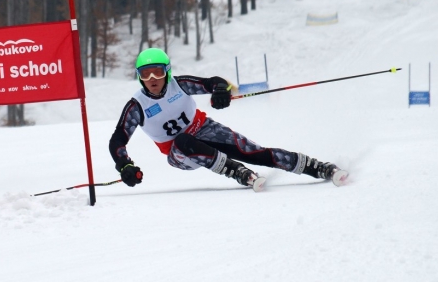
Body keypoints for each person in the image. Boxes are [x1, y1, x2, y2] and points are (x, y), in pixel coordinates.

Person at [108, 48, 348, 191]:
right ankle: (237, 172)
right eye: (145, 73)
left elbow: (212, 82)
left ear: (167, 71)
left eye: (158, 71)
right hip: (179, 154)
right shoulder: (137, 105)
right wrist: (125, 164)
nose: (152, 78)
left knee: (253, 151)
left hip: (205, 129)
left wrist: (220, 90)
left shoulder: (178, 84)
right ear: (138, 77)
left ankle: (318, 168)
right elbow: (118, 140)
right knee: (182, 140)